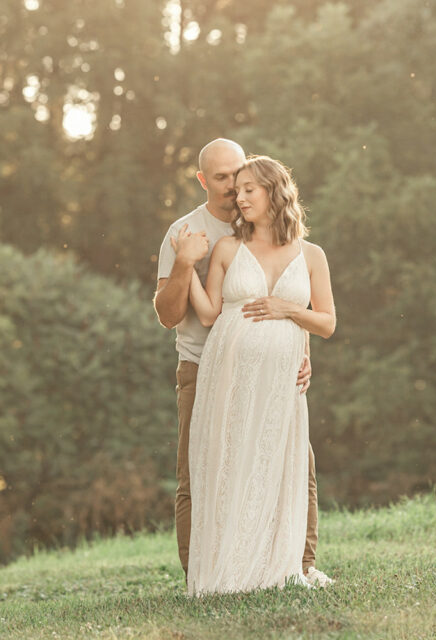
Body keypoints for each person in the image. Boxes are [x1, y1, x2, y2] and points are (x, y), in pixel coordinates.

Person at [154, 140, 330, 587]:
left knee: (293, 466)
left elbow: (310, 311)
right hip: (207, 367)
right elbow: (177, 315)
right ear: (202, 180)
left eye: (245, 180)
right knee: (204, 470)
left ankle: (298, 565)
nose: (237, 189)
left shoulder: (303, 249)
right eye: (225, 180)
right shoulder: (192, 233)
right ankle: (207, 572)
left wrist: (301, 346)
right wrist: (185, 264)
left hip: (278, 376)